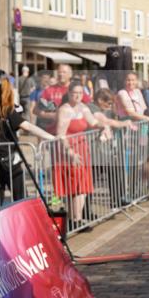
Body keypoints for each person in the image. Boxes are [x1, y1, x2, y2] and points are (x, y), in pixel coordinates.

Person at [53, 80, 103, 228]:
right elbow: (60, 134)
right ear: (69, 93)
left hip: (82, 149)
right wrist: (70, 153)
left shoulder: (83, 107)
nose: (77, 96)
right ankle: (75, 220)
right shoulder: (65, 110)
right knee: (75, 188)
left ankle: (76, 219)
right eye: (75, 93)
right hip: (69, 151)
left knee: (82, 187)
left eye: (80, 93)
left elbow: (93, 122)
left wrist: (104, 127)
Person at [0, 77, 55, 204]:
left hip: (7, 159)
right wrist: (52, 137)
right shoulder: (7, 110)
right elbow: (28, 126)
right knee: (21, 197)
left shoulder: (9, 110)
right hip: (8, 160)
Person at [36, 63, 90, 134]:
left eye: (64, 72)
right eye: (59, 72)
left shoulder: (78, 89)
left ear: (70, 74)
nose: (61, 74)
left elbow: (88, 106)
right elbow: (37, 111)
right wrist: (54, 115)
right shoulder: (49, 90)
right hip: (54, 134)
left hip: (75, 135)